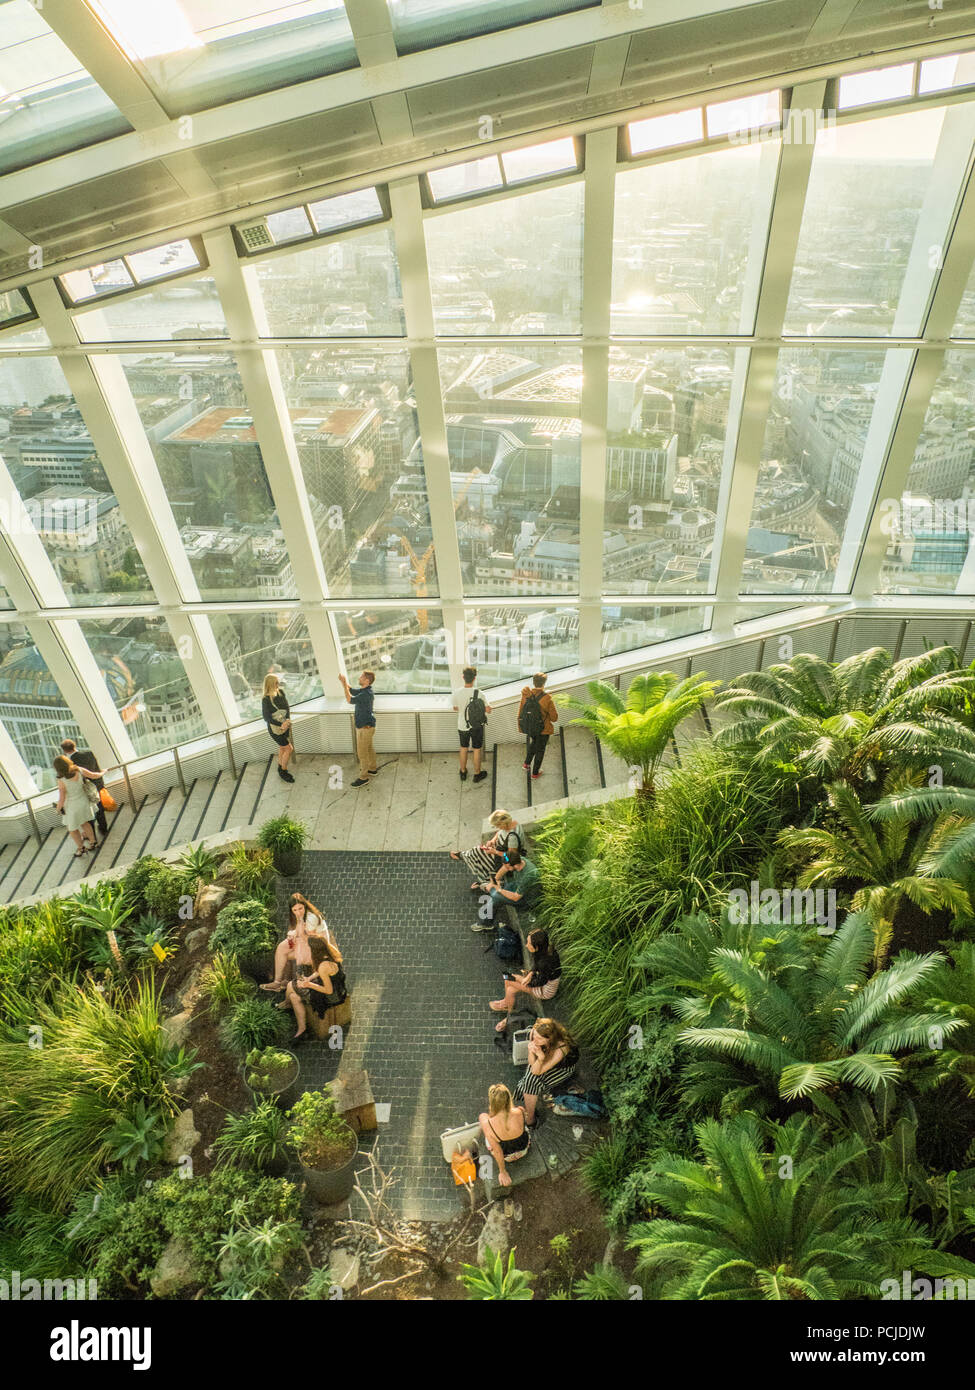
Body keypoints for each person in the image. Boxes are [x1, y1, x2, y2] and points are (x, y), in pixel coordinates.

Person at [261, 893, 338, 991]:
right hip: (306, 941)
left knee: (286, 955)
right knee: (281, 947)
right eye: (295, 910)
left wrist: (295, 934)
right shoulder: (301, 915)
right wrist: (292, 935)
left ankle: (285, 981)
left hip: (317, 946)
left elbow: (308, 939)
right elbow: (300, 932)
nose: (298, 912)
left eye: (300, 908)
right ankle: (277, 982)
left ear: (305, 906)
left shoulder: (312, 918)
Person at [489, 929, 561, 1032]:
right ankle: (507, 1005)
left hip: (545, 990)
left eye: (529, 943)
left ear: (536, 947)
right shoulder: (546, 950)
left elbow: (538, 983)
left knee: (509, 980)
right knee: (510, 989)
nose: (526, 945)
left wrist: (526, 980)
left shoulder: (545, 963)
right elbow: (537, 964)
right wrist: (530, 974)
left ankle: (508, 1016)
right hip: (541, 981)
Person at [512, 1018, 579, 1126]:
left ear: (549, 1039)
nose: (535, 1040)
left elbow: (537, 1071)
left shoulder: (561, 1048)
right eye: (534, 1036)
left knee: (532, 1080)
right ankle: (530, 1111)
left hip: (561, 1068)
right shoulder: (534, 1034)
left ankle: (530, 1117)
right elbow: (531, 1064)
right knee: (530, 1079)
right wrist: (531, 1051)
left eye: (539, 1039)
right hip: (541, 1062)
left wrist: (541, 1058)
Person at [286, 936, 347, 1042]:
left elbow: (329, 991)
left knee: (291, 985)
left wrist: (309, 984)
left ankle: (286, 1004)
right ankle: (302, 1030)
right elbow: (323, 972)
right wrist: (309, 978)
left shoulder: (323, 966)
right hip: (339, 990)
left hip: (331, 997)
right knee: (293, 996)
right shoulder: (330, 953)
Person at [449, 809, 522, 889]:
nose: (497, 827)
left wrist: (495, 852)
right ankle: (463, 856)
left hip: (506, 858)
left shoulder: (512, 838)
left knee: (484, 859)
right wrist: (492, 841)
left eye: (497, 825)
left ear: (503, 823)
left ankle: (484, 884)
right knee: (477, 850)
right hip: (499, 849)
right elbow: (500, 831)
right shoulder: (510, 823)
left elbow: (511, 858)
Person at [470, 847, 541, 930]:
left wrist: (499, 889)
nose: (505, 868)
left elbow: (516, 897)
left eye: (507, 867)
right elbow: (505, 864)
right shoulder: (517, 860)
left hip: (526, 900)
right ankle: (486, 920)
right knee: (495, 896)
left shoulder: (529, 876)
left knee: (496, 896)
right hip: (517, 886)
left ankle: (485, 923)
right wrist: (496, 879)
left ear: (515, 865)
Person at [478, 1084, 531, 1188]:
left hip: (507, 1157)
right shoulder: (520, 1111)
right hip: (524, 1149)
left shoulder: (488, 1124)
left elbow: (497, 1151)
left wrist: (502, 1172)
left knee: (483, 1116)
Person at [53, 753, 102, 856]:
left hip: (71, 807)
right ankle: (93, 842)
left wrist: (58, 809)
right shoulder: (78, 770)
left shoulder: (61, 780)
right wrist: (103, 772)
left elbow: (62, 798)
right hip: (83, 801)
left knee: (72, 829)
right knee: (85, 823)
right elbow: (94, 775)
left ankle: (81, 848)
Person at [61, 737, 108, 838]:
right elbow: (96, 769)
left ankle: (91, 834)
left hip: (83, 789)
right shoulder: (89, 753)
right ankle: (104, 828)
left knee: (88, 812)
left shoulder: (70, 764)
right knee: (99, 807)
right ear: (74, 746)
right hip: (96, 784)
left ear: (65, 751)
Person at [452, 665, 491, 783]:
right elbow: (488, 709)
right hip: (476, 726)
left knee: (463, 748)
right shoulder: (479, 693)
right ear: (474, 678)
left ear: (463, 677)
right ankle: (477, 773)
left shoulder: (457, 692)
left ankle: (463, 772)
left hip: (462, 725)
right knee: (476, 749)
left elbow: (455, 708)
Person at [340, 670, 377, 786]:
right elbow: (351, 690)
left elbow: (349, 699)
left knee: (362, 753)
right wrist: (344, 683)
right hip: (367, 727)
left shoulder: (367, 694)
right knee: (369, 749)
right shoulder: (365, 691)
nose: (359, 678)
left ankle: (364, 777)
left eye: (361, 677)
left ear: (367, 680)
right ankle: (372, 768)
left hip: (365, 729)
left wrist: (344, 682)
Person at [518, 673, 559, 779]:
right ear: (544, 683)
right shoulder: (547, 698)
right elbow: (554, 718)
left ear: (533, 682)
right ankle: (535, 773)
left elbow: (521, 711)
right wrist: (548, 699)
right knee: (540, 750)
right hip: (543, 729)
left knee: (534, 743)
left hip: (530, 727)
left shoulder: (526, 695)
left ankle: (526, 764)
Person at [262, 673, 294, 784]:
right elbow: (266, 717)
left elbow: (287, 707)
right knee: (289, 749)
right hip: (276, 730)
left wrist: (287, 720)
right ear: (270, 684)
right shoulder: (265, 699)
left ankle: (280, 768)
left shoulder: (281, 692)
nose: (278, 684)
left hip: (285, 726)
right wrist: (281, 724)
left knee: (282, 748)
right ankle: (284, 771)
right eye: (276, 682)